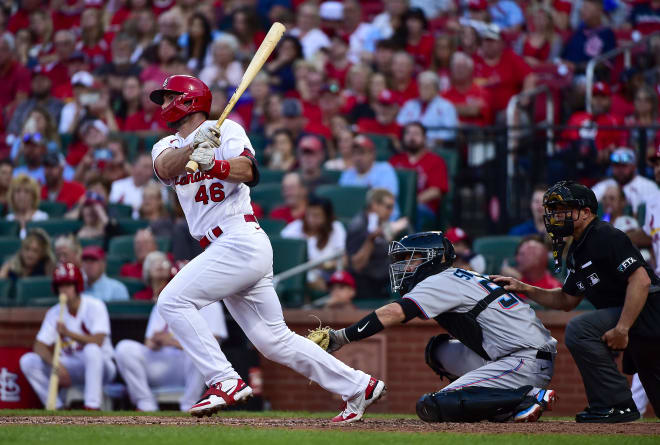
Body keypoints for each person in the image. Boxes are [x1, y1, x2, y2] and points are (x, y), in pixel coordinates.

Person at [149, 74, 385, 421]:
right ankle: (358, 386)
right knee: (274, 340)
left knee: (172, 300)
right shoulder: (165, 144)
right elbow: (165, 167)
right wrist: (193, 148)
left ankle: (224, 380)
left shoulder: (227, 130)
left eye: (169, 98)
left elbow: (248, 171)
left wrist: (214, 162)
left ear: (188, 100)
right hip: (220, 247)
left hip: (239, 238)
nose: (164, 105)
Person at [321, 231, 558, 423]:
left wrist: (339, 337)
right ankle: (502, 405)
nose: (404, 266)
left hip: (523, 360)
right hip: (514, 352)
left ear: (431, 258)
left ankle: (527, 396)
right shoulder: (458, 276)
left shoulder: (440, 279)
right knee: (438, 350)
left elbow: (393, 313)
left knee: (432, 405)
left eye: (410, 259)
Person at [493, 181, 660, 422]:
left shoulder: (605, 235)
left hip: (649, 312)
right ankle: (614, 405)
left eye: (563, 209)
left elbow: (641, 281)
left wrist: (623, 328)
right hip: (638, 320)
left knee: (580, 330)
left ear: (586, 212)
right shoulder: (578, 250)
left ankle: (616, 404)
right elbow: (566, 299)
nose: (555, 216)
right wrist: (523, 287)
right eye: (553, 210)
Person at [115, 252, 228, 411]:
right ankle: (145, 403)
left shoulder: (211, 304)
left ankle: (190, 404)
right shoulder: (165, 302)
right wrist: (160, 341)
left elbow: (213, 345)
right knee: (124, 348)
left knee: (199, 352)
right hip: (161, 363)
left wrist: (170, 340)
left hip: (189, 367)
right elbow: (149, 342)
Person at [19, 262, 116, 410]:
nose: (64, 290)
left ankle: (92, 405)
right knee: (28, 361)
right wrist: (55, 364)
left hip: (102, 367)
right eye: (61, 286)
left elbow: (98, 341)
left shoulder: (95, 305)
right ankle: (57, 407)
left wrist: (68, 333)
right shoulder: (54, 312)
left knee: (92, 350)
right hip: (70, 367)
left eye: (68, 285)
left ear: (77, 286)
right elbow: (39, 345)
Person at [346, 188, 406, 300]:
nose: (391, 212)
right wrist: (371, 239)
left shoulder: (380, 223)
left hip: (383, 280)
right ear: (374, 205)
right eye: (388, 207)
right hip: (367, 286)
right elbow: (356, 266)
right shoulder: (358, 226)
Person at [389, 123, 449, 227]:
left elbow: (436, 191)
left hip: (422, 207)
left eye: (416, 134)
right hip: (394, 205)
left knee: (416, 211)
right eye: (408, 133)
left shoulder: (435, 161)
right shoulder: (394, 160)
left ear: (425, 138)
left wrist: (409, 203)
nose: (412, 137)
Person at [281, 197, 346, 291]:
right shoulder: (294, 228)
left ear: (327, 217)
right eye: (309, 215)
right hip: (297, 276)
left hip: (328, 279)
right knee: (309, 277)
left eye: (317, 216)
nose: (311, 219)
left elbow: (344, 261)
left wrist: (323, 265)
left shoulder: (336, 228)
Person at [339, 135, 400, 219]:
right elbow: (343, 200)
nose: (357, 158)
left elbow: (388, 200)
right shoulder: (348, 173)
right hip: (355, 220)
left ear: (372, 154)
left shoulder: (384, 169)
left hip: (385, 220)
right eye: (354, 153)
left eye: (361, 153)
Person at [396, 72, 458, 147]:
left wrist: (433, 141)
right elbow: (399, 124)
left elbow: (450, 132)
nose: (423, 89)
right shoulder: (410, 104)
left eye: (427, 86)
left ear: (436, 88)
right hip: (409, 145)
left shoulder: (447, 107)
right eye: (421, 86)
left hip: (434, 147)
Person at [591, 147, 658, 213]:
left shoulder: (648, 186)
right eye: (616, 165)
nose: (620, 169)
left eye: (624, 165)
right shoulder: (603, 186)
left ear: (633, 167)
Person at [109, 153, 159, 219]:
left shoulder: (158, 188)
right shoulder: (117, 185)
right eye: (146, 167)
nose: (149, 172)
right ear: (134, 166)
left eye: (151, 168)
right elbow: (113, 210)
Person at [5, 174, 48, 239]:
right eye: (18, 191)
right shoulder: (8, 219)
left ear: (33, 196)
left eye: (26, 191)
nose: (21, 196)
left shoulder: (42, 218)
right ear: (12, 196)